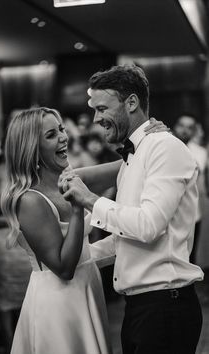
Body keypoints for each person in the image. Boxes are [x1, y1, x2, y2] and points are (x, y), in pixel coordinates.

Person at [59, 65, 204, 354]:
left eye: (102, 108)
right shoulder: (132, 157)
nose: (96, 118)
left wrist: (89, 199)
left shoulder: (164, 148)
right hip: (142, 309)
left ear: (132, 103)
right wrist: (75, 258)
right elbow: (127, 235)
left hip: (165, 308)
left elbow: (147, 226)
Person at [1, 107, 112, 354]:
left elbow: (123, 168)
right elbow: (64, 268)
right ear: (33, 149)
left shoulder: (72, 178)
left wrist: (146, 142)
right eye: (51, 134)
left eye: (61, 129)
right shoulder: (30, 200)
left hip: (87, 289)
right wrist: (76, 209)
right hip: (59, 303)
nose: (64, 137)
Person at [0, 146, 31, 354]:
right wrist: (15, 203)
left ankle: (29, 339)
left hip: (24, 234)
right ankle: (9, 340)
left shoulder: (26, 170)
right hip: (2, 233)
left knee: (28, 287)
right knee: (6, 289)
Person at [174, 115, 208, 264]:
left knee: (190, 256)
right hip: (171, 211)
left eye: (190, 127)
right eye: (182, 125)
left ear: (195, 131)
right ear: (175, 126)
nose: (185, 130)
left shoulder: (200, 152)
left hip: (193, 212)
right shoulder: (165, 146)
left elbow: (196, 175)